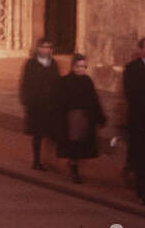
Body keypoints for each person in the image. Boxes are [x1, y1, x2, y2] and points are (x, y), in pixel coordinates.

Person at [57, 53, 105, 184]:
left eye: (84, 66)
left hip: (85, 116)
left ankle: (75, 166)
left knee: (81, 144)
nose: (81, 69)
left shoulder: (87, 81)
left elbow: (94, 99)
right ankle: (74, 170)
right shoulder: (65, 81)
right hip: (71, 117)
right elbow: (60, 101)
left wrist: (100, 117)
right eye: (79, 66)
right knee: (74, 143)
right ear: (73, 67)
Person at [19, 37, 63, 171]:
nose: (46, 50)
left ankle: (50, 161)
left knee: (52, 134)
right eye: (44, 47)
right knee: (37, 134)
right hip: (36, 104)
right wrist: (27, 100)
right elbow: (25, 83)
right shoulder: (31, 64)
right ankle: (37, 160)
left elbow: (57, 82)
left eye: (49, 47)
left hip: (50, 104)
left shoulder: (53, 64)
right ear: (38, 48)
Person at [123, 39, 145, 205]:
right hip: (139, 120)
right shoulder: (131, 69)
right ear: (141, 50)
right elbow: (131, 93)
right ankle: (142, 191)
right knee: (141, 156)